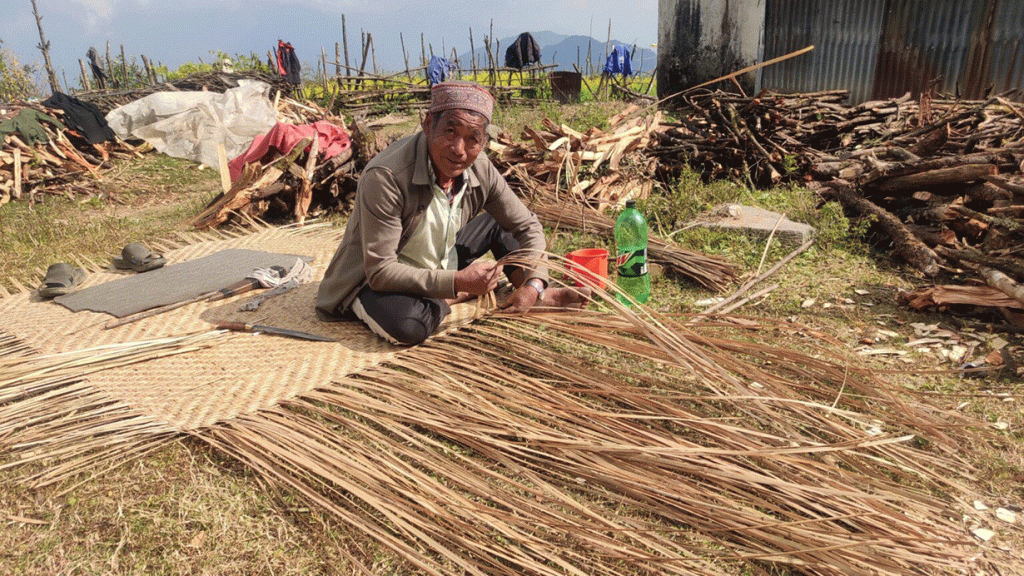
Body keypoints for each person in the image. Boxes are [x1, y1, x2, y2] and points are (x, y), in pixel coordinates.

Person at [316, 81, 587, 345]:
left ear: (483, 142)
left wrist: (534, 284)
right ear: (427, 124)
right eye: (449, 132)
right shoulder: (387, 176)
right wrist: (458, 283)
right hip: (375, 280)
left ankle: (533, 296)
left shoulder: (480, 167)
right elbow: (381, 271)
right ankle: (451, 296)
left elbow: (527, 226)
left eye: (473, 139)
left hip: (438, 256)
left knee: (503, 225)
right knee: (409, 325)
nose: (459, 150)